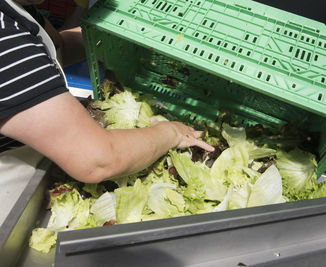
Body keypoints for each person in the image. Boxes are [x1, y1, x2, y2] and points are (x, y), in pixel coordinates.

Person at [0, 0, 214, 183]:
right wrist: (171, 133)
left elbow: (57, 48)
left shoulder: (17, 7)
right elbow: (96, 160)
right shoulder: (4, 37)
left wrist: (122, 32)